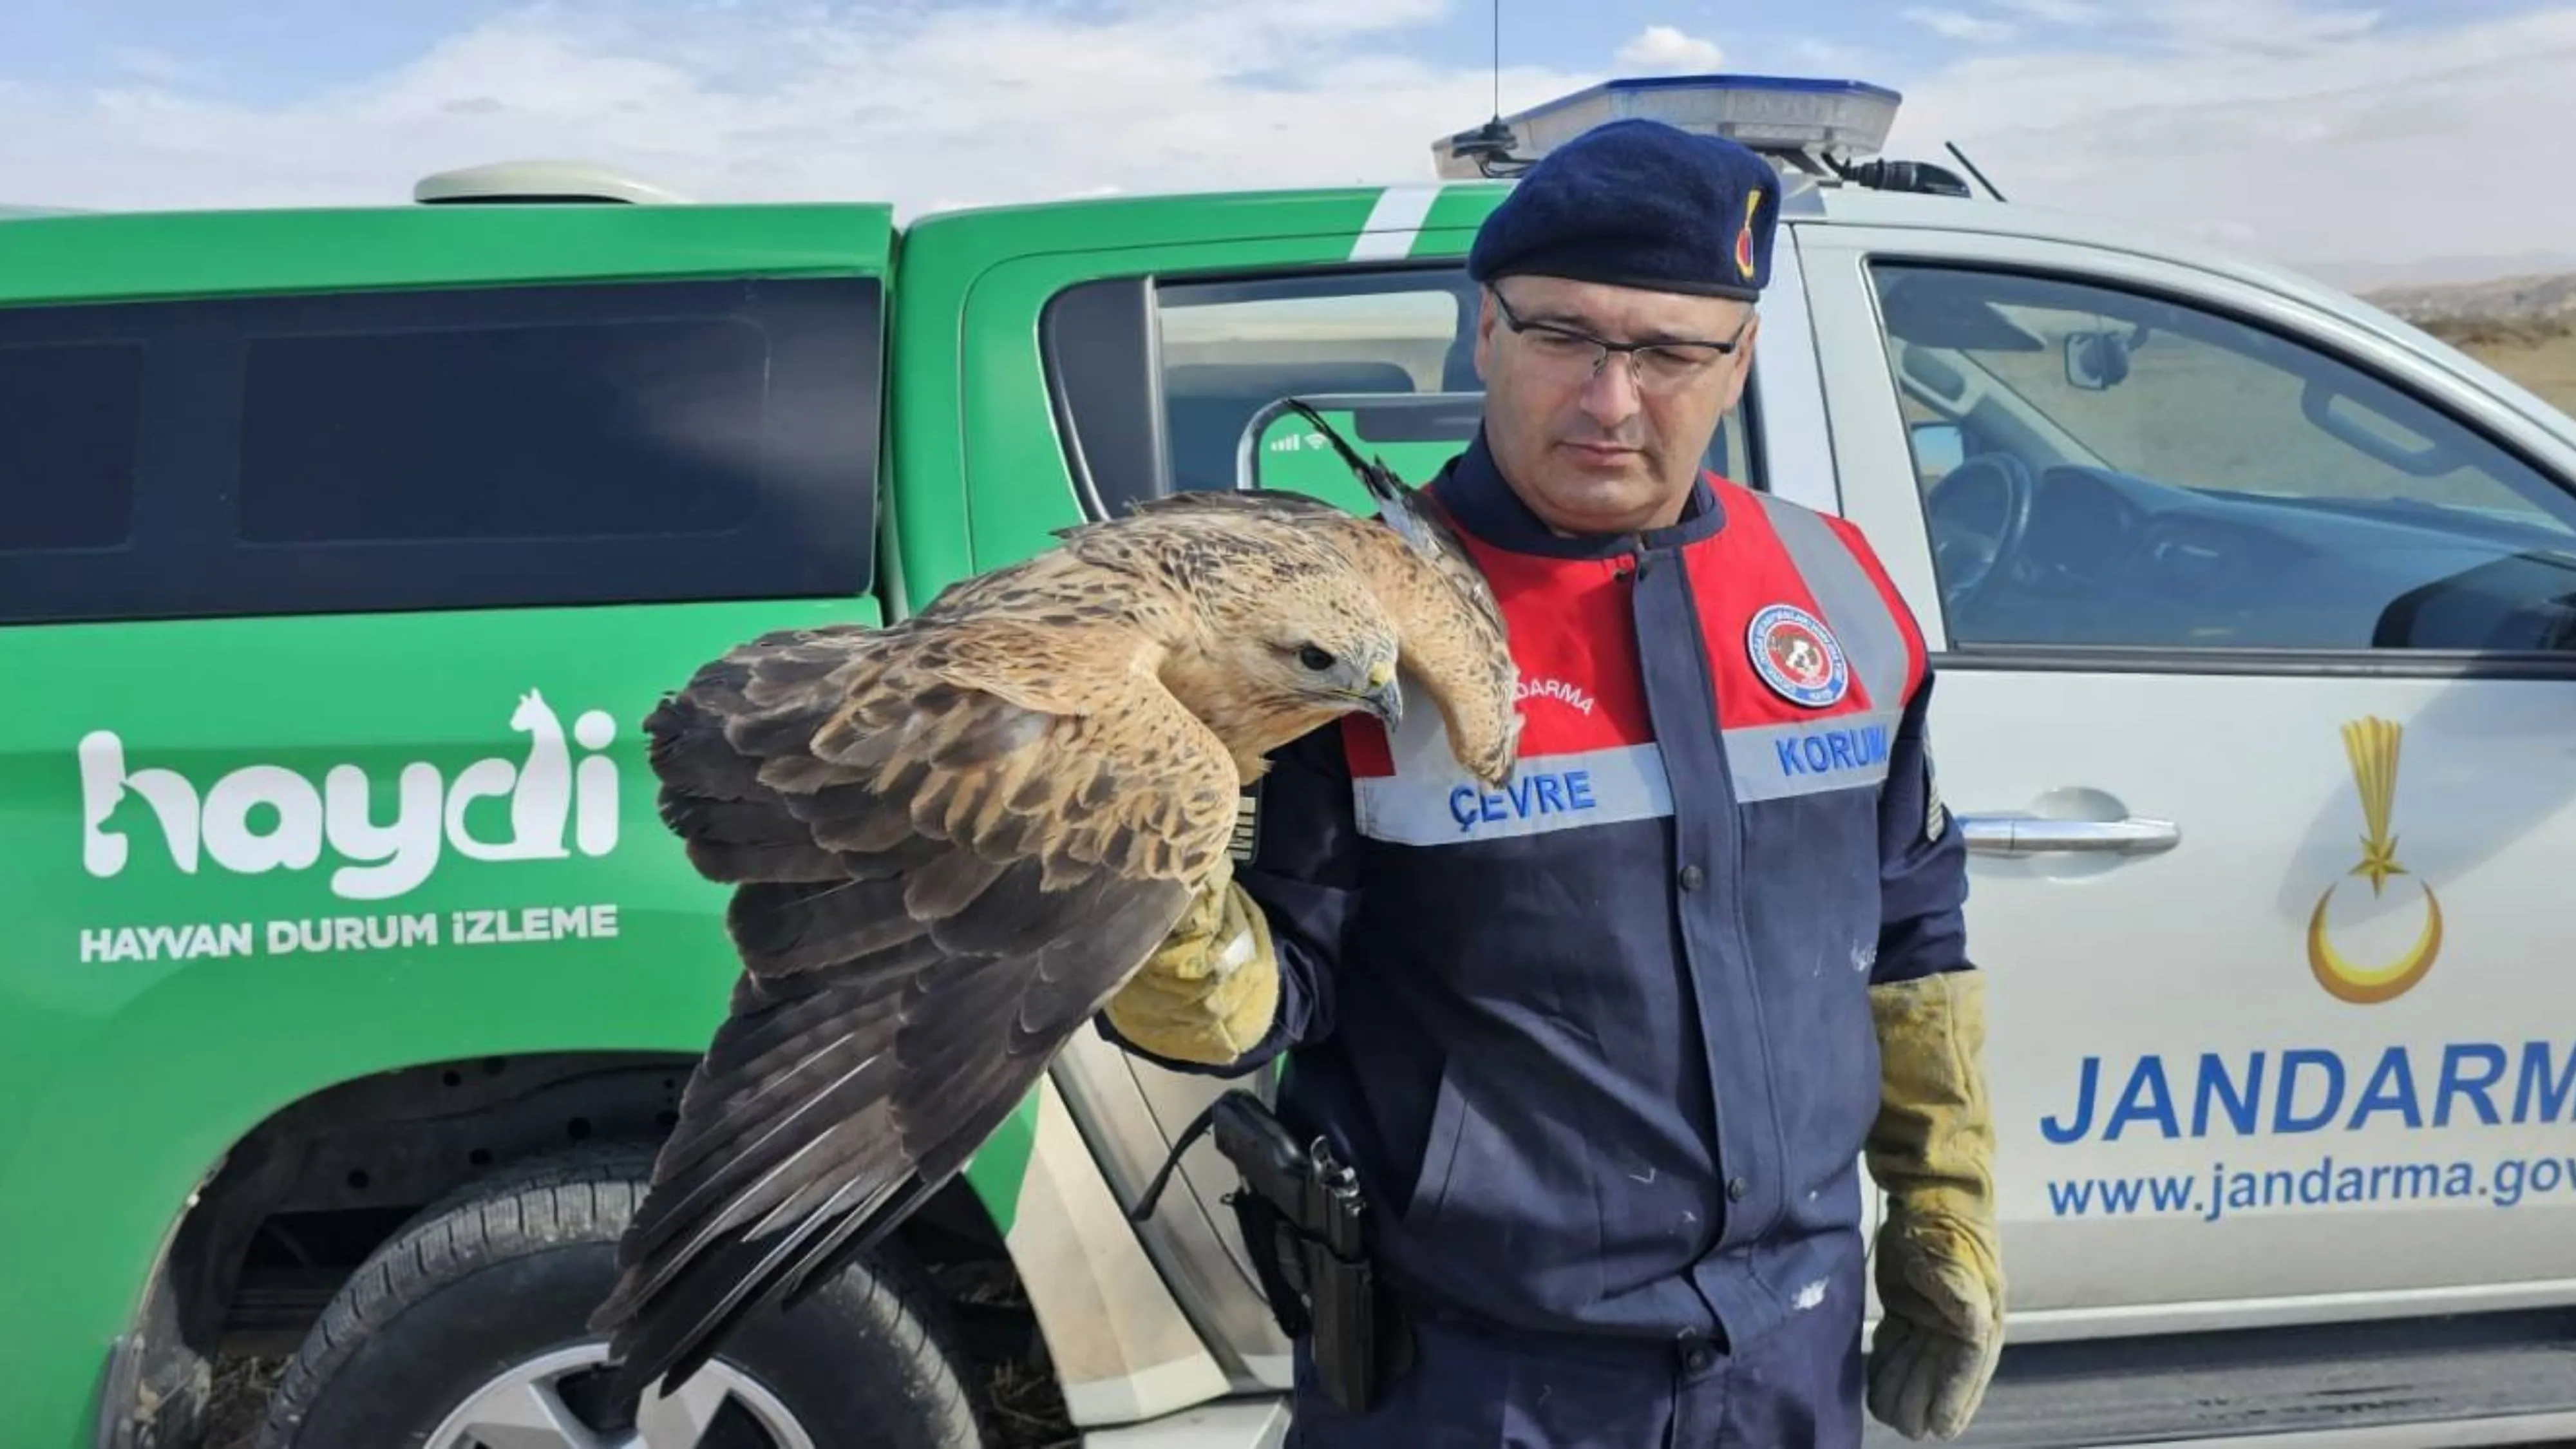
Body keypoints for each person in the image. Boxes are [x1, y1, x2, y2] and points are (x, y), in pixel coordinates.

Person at [1098, 117, 2003, 1448]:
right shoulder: (1332, 625)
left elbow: (1911, 929)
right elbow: (1245, 1005)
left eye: (1665, 350)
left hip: (1788, 1363)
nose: (1607, 400)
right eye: (1562, 338)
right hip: (1474, 1382)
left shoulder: (1835, 593)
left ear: (1739, 354)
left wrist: (1942, 1204)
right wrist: (1149, 907)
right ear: (1482, 333)